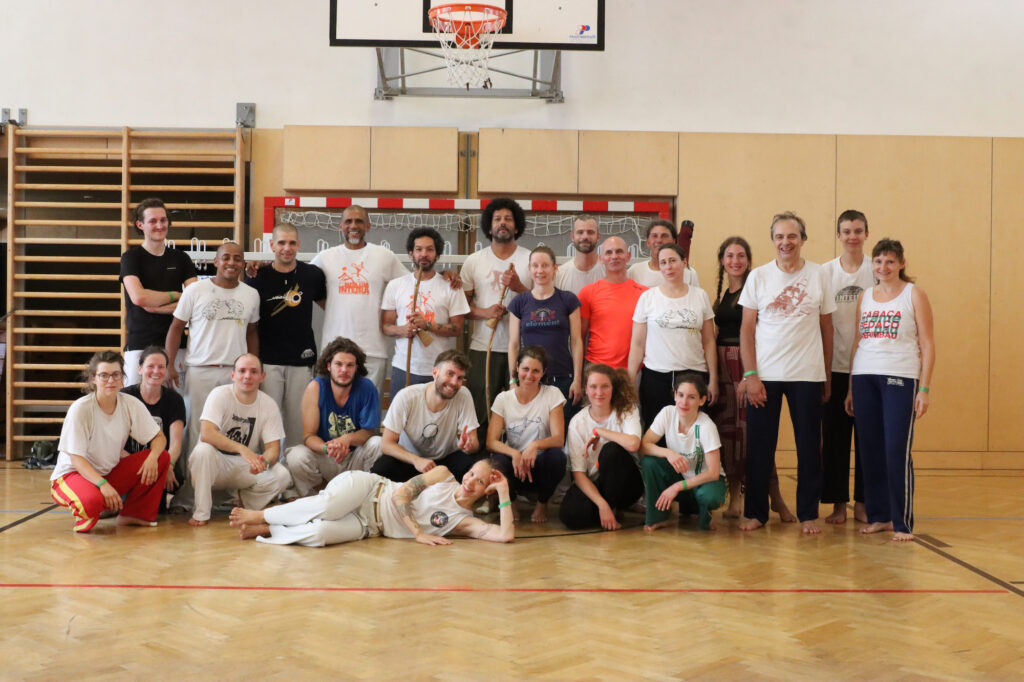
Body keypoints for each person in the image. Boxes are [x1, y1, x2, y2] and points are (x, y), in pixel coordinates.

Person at [738, 212, 835, 534]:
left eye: (792, 236)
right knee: (759, 448)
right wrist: (751, 375)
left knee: (809, 447)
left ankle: (808, 514)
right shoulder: (759, 277)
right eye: (780, 236)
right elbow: (747, 330)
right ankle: (756, 512)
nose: (786, 242)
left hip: (807, 374)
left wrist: (828, 376)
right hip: (765, 377)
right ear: (773, 241)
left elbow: (827, 328)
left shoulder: (819, 274)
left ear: (803, 239)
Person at [846, 239, 935, 542]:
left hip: (900, 377)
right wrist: (849, 388)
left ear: (901, 264)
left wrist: (924, 389)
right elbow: (858, 343)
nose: (883, 267)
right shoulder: (866, 297)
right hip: (863, 377)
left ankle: (902, 521)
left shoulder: (914, 295)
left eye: (889, 262)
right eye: (878, 262)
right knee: (869, 451)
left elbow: (927, 344)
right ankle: (880, 515)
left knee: (895, 449)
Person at [228, 459, 513, 547]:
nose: (470, 480)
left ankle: (270, 528)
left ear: (486, 489)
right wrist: (418, 533)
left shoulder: (463, 522)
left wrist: (504, 491)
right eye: (472, 472)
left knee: (320, 535)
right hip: (368, 489)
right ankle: (261, 515)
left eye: (480, 481)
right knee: (328, 506)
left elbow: (505, 535)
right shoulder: (444, 475)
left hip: (368, 525)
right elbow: (401, 495)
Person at [710, 237, 794, 521]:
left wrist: (751, 373)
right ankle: (735, 495)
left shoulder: (757, 287)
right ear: (722, 260)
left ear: (748, 260)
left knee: (755, 435)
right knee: (729, 434)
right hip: (722, 369)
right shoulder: (721, 295)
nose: (735, 261)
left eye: (741, 255)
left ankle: (774, 495)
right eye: (730, 255)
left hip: (749, 367)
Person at [49, 351, 169, 532]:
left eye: (116, 375)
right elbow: (77, 460)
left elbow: (159, 438)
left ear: (123, 378)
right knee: (92, 502)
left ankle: (134, 515)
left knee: (162, 457)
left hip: (108, 473)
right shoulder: (81, 409)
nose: (111, 380)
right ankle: (87, 508)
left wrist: (152, 457)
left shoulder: (130, 404)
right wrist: (102, 485)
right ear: (93, 379)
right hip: (72, 475)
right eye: (104, 375)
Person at [165, 241, 259, 453]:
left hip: (234, 373)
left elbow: (252, 332)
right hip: (200, 370)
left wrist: (254, 369)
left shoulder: (251, 294)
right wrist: (169, 364)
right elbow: (176, 328)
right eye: (226, 257)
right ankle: (192, 483)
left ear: (243, 264)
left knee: (233, 427)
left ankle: (228, 482)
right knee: (197, 428)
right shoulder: (195, 291)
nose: (231, 263)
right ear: (216, 261)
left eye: (237, 259)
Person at [246, 224, 327, 450]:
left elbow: (330, 307)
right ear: (272, 245)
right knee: (267, 420)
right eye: (281, 242)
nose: (287, 248)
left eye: (292, 242)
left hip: (302, 359)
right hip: (268, 361)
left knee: (297, 423)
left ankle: (293, 473)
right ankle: (264, 473)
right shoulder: (256, 276)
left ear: (299, 245)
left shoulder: (312, 275)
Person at [187, 353, 291, 526]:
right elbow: (207, 434)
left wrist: (263, 461)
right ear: (233, 375)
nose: (247, 376)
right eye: (242, 371)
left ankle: (245, 505)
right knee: (202, 450)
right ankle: (201, 513)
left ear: (262, 377)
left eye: (253, 372)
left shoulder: (268, 404)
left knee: (282, 475)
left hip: (246, 467)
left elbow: (273, 449)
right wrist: (243, 449)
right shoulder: (219, 394)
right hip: (215, 463)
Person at [312, 205, 409, 388]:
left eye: (359, 221)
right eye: (348, 221)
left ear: (368, 226)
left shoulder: (384, 256)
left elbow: (409, 285)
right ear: (340, 226)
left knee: (368, 409)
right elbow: (299, 279)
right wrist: (262, 267)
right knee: (333, 411)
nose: (353, 225)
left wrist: (444, 274)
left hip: (372, 350)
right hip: (334, 349)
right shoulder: (326, 256)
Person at [821, 210, 874, 524]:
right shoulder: (826, 272)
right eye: (846, 231)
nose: (852, 236)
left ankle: (864, 503)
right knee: (835, 440)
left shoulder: (876, 269)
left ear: (866, 233)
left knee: (866, 438)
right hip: (835, 367)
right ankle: (838, 504)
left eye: (858, 230)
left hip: (869, 369)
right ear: (838, 235)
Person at [628, 243, 717, 429]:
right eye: (663, 263)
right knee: (656, 434)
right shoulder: (648, 298)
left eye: (673, 261)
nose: (668, 267)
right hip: (656, 377)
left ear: (684, 262)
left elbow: (709, 342)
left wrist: (714, 379)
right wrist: (630, 380)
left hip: (694, 375)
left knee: (692, 432)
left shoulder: (700, 296)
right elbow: (637, 344)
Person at [460, 197, 533, 427]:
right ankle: (480, 458)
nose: (503, 223)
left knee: (520, 409)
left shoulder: (531, 259)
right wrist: (485, 313)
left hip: (523, 348)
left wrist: (519, 288)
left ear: (517, 225)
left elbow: (542, 304)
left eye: (508, 219)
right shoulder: (474, 261)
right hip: (483, 347)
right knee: (482, 408)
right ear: (489, 227)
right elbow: (461, 309)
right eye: (497, 219)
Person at [286, 337, 384, 497]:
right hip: (326, 456)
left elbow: (369, 432)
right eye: (338, 364)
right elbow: (308, 436)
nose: (344, 370)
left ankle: (367, 496)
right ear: (328, 366)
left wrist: (346, 439)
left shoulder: (367, 388)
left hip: (354, 456)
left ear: (356, 368)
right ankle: (313, 500)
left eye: (350, 365)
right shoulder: (315, 387)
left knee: (378, 444)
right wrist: (328, 447)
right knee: (296, 456)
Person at [119, 198, 197, 387]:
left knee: (175, 404)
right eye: (153, 221)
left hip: (176, 346)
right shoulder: (131, 258)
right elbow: (139, 297)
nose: (159, 225)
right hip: (140, 344)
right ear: (140, 225)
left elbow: (195, 299)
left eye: (163, 220)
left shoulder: (181, 258)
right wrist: (176, 295)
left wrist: (160, 307)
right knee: (135, 404)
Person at [372, 350, 480, 482]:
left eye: (459, 378)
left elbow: (474, 443)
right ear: (435, 373)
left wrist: (469, 445)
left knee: (471, 469)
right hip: (410, 460)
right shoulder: (407, 396)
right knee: (381, 469)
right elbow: (386, 444)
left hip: (445, 460)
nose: (454, 382)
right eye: (450, 374)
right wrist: (416, 460)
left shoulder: (464, 395)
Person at [486, 346, 567, 524]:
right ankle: (511, 502)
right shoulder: (504, 399)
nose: (529, 375)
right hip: (515, 468)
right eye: (525, 369)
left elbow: (559, 439)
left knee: (557, 457)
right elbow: (491, 442)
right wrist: (514, 453)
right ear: (516, 368)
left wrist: (534, 445)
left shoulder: (552, 394)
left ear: (543, 372)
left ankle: (542, 503)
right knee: (497, 460)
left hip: (539, 466)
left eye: (536, 371)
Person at [382, 227, 469, 388]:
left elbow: (457, 328)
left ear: (437, 255)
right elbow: (386, 326)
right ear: (410, 253)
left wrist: (428, 325)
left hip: (440, 368)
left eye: (429, 249)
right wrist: (402, 330)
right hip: (404, 367)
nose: (424, 254)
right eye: (418, 249)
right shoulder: (396, 285)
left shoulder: (450, 286)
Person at [560, 364, 644, 530]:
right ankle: (606, 510)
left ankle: (614, 507)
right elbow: (579, 474)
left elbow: (633, 444)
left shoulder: (626, 410)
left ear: (613, 388)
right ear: (586, 389)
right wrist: (601, 504)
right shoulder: (578, 422)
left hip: (626, 485)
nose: (599, 393)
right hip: (596, 483)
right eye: (593, 387)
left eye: (605, 386)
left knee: (611, 450)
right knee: (570, 515)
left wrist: (600, 432)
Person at [639, 372, 726, 531]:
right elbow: (644, 445)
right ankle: (658, 518)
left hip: (706, 482)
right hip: (683, 478)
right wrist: (668, 453)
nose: (684, 402)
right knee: (649, 462)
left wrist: (678, 486)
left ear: (702, 400)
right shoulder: (667, 413)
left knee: (708, 496)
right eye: (680, 395)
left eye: (691, 397)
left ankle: (703, 512)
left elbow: (713, 473)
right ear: (674, 396)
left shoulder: (707, 426)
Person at [508, 245, 583, 415]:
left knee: (563, 431)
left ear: (555, 268)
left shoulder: (568, 300)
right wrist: (513, 379)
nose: (540, 270)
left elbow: (577, 341)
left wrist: (577, 379)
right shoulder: (519, 302)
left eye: (545, 265)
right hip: (530, 378)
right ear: (529, 269)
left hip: (563, 377)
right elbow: (513, 344)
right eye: (535, 266)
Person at [122, 346, 186, 510]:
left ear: (166, 369)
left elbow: (176, 444)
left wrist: (168, 466)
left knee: (158, 508)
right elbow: (114, 444)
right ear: (140, 369)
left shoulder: (174, 400)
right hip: (129, 460)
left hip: (159, 462)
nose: (156, 371)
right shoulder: (125, 397)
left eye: (161, 367)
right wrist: (140, 465)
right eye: (150, 366)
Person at [578, 236, 647, 369]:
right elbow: (579, 339)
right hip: (596, 370)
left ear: (628, 256)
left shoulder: (644, 294)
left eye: (619, 251)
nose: (614, 256)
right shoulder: (588, 292)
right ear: (601, 258)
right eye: (609, 252)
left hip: (633, 371)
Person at [626, 219, 700, 288]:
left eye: (664, 236)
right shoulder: (634, 272)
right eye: (654, 236)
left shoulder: (688, 273)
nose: (659, 240)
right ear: (648, 242)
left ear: (673, 241)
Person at [553, 215, 604, 294]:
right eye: (580, 232)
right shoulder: (559, 275)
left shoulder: (610, 272)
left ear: (598, 237)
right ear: (572, 236)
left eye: (590, 232)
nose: (585, 236)